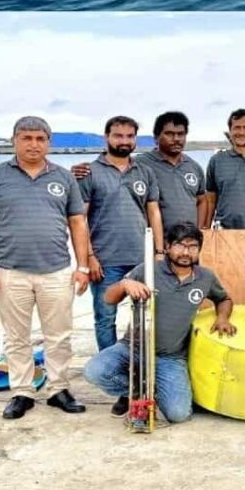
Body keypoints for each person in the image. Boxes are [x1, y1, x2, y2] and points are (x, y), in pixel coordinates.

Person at [0, 116, 91, 420]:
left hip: (57, 271)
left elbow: (78, 222)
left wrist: (83, 267)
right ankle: (22, 392)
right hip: (10, 272)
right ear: (14, 140)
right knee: (16, 336)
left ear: (48, 142)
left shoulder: (64, 178)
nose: (33, 144)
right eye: (26, 138)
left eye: (40, 139)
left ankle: (58, 389)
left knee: (59, 335)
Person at [83, 223, 236, 422]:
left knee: (178, 414)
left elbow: (224, 299)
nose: (186, 252)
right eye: (180, 245)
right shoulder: (147, 270)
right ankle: (135, 391)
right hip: (133, 348)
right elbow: (109, 299)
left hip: (170, 357)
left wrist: (222, 318)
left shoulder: (205, 277)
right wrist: (125, 283)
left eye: (192, 247)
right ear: (167, 246)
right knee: (94, 371)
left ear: (199, 249)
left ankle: (151, 388)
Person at [77, 115, 164, 352]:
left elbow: (154, 212)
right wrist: (89, 257)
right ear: (107, 137)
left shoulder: (144, 172)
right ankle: (110, 368)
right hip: (105, 261)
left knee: (147, 316)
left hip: (141, 258)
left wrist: (158, 252)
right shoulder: (89, 172)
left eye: (130, 136)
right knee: (105, 319)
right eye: (118, 135)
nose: (124, 141)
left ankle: (142, 366)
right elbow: (79, 219)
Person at [135, 112, 208, 231]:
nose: (176, 139)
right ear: (156, 138)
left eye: (181, 134)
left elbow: (202, 200)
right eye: (169, 134)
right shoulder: (140, 163)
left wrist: (198, 231)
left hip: (187, 243)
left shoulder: (194, 167)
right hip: (153, 240)